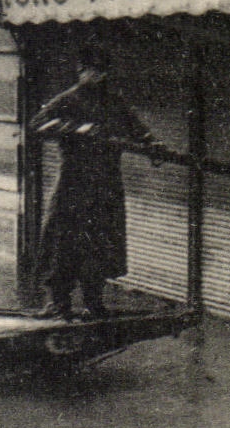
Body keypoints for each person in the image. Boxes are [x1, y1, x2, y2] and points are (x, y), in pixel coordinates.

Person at [29, 48, 158, 320]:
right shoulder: (68, 99)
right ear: (82, 71)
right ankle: (59, 303)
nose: (98, 77)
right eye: (93, 71)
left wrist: (152, 144)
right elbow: (37, 125)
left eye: (103, 71)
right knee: (63, 243)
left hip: (105, 186)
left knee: (100, 245)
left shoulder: (114, 102)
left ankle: (94, 303)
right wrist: (78, 129)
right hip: (73, 185)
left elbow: (137, 129)